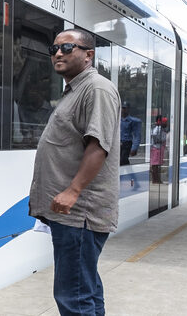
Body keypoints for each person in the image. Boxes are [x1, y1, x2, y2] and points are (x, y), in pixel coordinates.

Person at [29, 28, 120, 316]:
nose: (58, 53)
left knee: (73, 297)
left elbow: (98, 146)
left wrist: (73, 190)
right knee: (85, 290)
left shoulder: (96, 89)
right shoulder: (75, 90)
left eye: (67, 48)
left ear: (88, 55)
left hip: (80, 214)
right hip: (72, 215)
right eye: (54, 48)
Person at [119, 103, 142, 188]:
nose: (123, 110)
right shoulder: (118, 120)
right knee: (124, 164)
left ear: (128, 109)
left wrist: (134, 147)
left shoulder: (133, 121)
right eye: (122, 108)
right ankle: (135, 182)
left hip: (126, 143)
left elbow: (137, 135)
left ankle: (119, 183)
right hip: (119, 144)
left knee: (122, 161)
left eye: (125, 108)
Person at [149, 116, 169, 184]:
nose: (166, 124)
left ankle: (157, 179)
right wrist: (161, 140)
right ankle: (155, 180)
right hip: (156, 148)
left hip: (159, 148)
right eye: (164, 122)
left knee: (157, 165)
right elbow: (155, 137)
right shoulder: (157, 129)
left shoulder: (162, 129)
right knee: (155, 165)